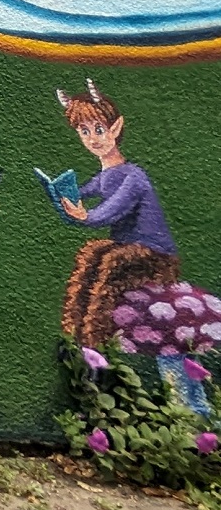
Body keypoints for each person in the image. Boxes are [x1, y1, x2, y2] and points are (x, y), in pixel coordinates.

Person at [54, 80, 179, 354]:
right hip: (127, 248)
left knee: (109, 264)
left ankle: (95, 341)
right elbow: (83, 190)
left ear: (116, 128)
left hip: (155, 254)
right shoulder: (105, 176)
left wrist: (85, 216)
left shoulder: (134, 176)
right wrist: (62, 192)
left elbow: (114, 208)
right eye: (84, 131)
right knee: (90, 255)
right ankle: (73, 332)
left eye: (99, 129)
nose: (93, 137)